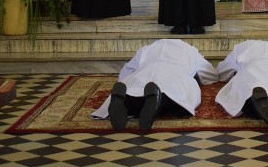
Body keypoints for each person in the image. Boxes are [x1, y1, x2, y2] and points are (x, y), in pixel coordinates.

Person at [90, 39, 219, 131]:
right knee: (176, 96)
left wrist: (125, 79)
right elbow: (211, 74)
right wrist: (198, 78)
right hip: (175, 73)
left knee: (133, 88)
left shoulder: (146, 49)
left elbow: (125, 73)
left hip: (144, 71)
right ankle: (158, 101)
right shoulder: (191, 51)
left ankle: (125, 100)